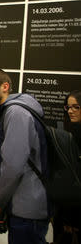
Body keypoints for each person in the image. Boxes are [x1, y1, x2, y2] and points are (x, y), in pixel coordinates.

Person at [0, 68, 49, 243]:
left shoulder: (16, 113)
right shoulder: (15, 110)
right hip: (26, 204)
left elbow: (13, 166)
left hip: (27, 209)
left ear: (5, 86)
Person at [52, 90, 81, 243]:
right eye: (68, 107)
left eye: (76, 107)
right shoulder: (67, 133)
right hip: (63, 205)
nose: (71, 111)